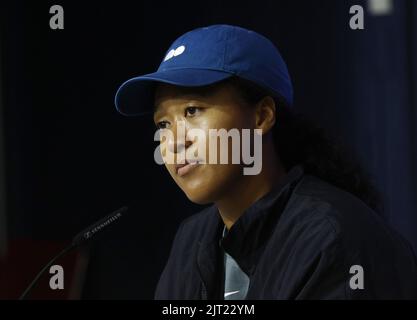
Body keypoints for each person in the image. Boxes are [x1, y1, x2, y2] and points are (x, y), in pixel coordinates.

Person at [114, 24, 417, 299]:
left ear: (262, 116)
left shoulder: (331, 238)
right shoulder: (191, 240)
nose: (175, 141)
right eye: (162, 124)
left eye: (193, 110)